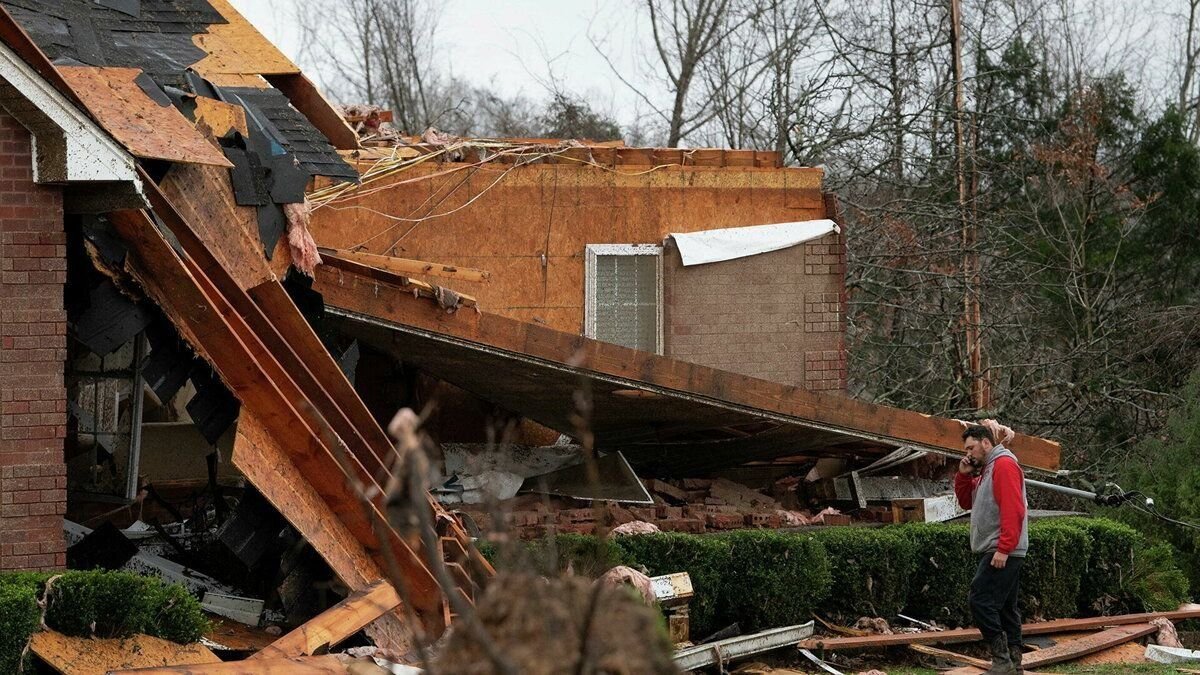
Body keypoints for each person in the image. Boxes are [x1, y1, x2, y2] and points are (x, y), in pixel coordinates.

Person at [954, 424, 1029, 674]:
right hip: (1001, 547)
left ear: (986, 443)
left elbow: (1013, 508)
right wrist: (963, 475)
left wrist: (1004, 548)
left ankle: (1001, 660)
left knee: (980, 599)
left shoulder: (1004, 465)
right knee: (1006, 608)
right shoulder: (987, 469)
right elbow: (967, 502)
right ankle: (1014, 663)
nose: (968, 453)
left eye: (971, 447)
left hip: (1001, 548)